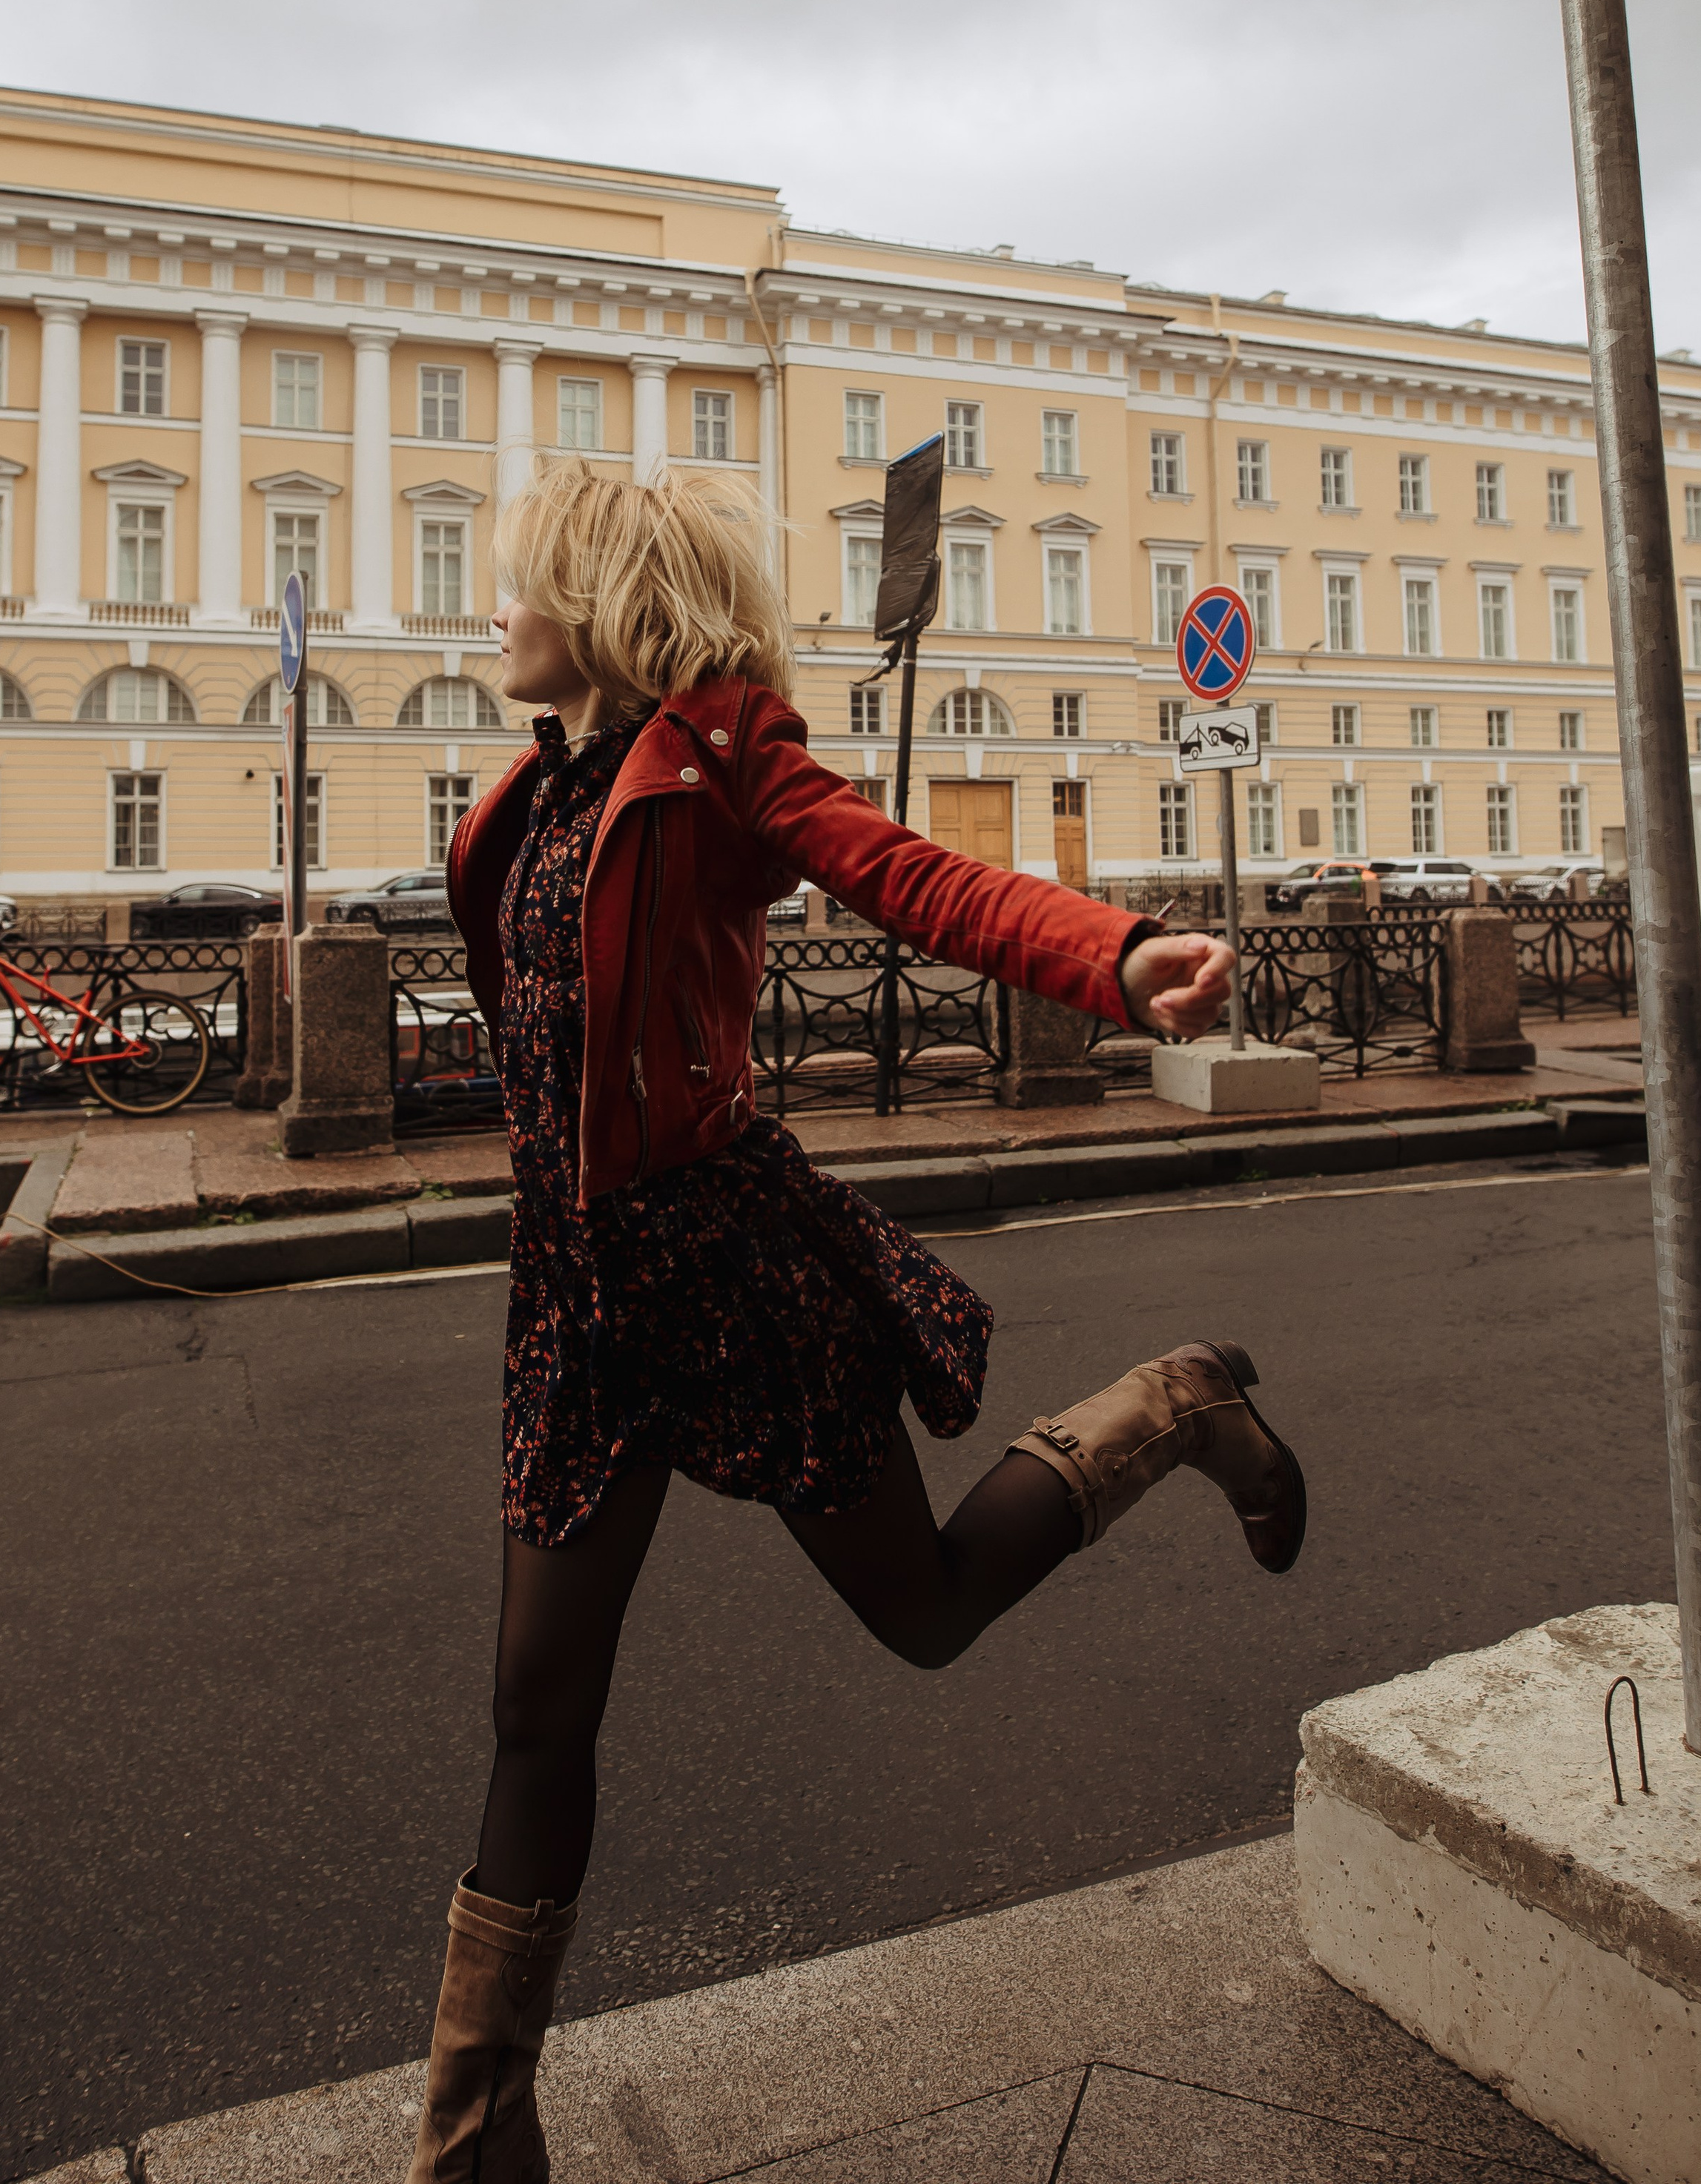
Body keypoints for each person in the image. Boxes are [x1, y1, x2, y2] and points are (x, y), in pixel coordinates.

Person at [404, 460, 1305, 2184]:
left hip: (723, 1270)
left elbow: (914, 879)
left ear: (598, 599)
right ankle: (475, 2139)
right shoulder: (533, 789)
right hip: (579, 1303)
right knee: (535, 1706)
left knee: (927, 1608)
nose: (490, 610)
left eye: (515, 581)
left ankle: (1174, 1406)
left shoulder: (724, 757)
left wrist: (1113, 956)